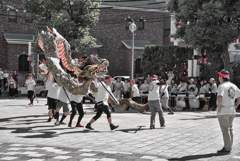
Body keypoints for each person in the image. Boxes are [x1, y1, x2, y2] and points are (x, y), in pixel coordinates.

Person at [216, 69, 240, 154]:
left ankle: (227, 148)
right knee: (230, 129)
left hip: (223, 110)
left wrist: (218, 106)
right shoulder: (233, 85)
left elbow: (219, 97)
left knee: (225, 130)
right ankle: (229, 146)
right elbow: (239, 96)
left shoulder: (221, 86)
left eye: (219, 76)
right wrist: (236, 105)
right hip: (232, 110)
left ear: (222, 77)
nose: (219, 78)